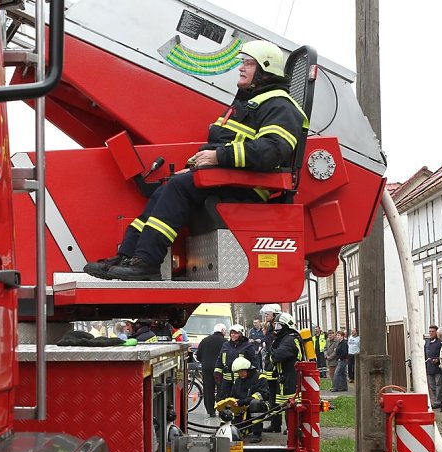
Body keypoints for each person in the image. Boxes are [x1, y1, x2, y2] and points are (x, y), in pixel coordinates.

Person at [82, 40, 308, 281]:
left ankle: (147, 262)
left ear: (265, 70)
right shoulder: (251, 102)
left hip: (249, 187)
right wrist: (193, 169)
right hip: (229, 178)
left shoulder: (280, 106)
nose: (241, 68)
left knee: (178, 189)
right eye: (243, 62)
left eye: (249, 63)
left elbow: (271, 150)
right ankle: (127, 255)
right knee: (166, 188)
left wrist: (217, 157)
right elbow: (221, 143)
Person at [265, 312, 303, 432]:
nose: (276, 330)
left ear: (287, 326)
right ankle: (289, 428)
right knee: (286, 404)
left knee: (290, 404)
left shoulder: (288, 340)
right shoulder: (290, 338)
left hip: (290, 378)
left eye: (279, 326)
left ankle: (293, 429)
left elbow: (277, 356)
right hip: (288, 376)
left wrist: (272, 354)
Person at [227, 356, 270, 443]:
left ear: (248, 369)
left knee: (255, 403)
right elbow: (233, 395)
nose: (240, 374)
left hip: (260, 407)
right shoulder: (238, 380)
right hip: (242, 409)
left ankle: (257, 433)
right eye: (238, 372)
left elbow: (262, 395)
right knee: (237, 430)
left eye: (241, 372)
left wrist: (242, 402)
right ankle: (247, 428)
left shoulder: (260, 377)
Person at [214, 324, 259, 400]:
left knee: (239, 400)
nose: (233, 335)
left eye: (235, 333)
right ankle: (223, 412)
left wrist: (253, 377)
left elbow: (254, 362)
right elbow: (220, 359)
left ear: (241, 334)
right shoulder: (226, 345)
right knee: (223, 400)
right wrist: (217, 371)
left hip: (241, 380)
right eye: (231, 333)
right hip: (226, 380)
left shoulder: (248, 346)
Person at [196, 323, 226, 417]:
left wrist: (204, 362)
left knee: (208, 389)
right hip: (220, 369)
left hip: (206, 368)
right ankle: (221, 410)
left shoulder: (205, 340)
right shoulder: (225, 342)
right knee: (221, 389)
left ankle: (210, 410)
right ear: (223, 331)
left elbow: (198, 355)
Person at [258, 303, 282, 414]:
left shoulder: (279, 329)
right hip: (269, 365)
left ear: (275, 314)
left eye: (268, 313)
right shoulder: (270, 328)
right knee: (272, 394)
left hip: (276, 366)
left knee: (277, 395)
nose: (266, 315)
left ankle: (277, 422)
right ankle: (274, 422)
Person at [424, 324, 442, 410]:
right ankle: (435, 400)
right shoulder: (427, 342)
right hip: (429, 367)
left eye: (433, 331)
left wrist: (438, 360)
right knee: (432, 386)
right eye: (430, 331)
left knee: (438, 385)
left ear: (436, 332)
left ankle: (438, 402)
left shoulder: (440, 342)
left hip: (438, 367)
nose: (431, 333)